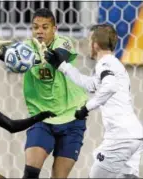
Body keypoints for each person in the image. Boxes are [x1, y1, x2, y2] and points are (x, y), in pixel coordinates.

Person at [0, 8, 88, 178]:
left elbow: (59, 57)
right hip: (43, 118)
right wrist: (0, 53)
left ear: (54, 29)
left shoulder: (64, 42)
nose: (39, 31)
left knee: (59, 176)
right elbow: (17, 60)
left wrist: (40, 57)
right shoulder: (27, 47)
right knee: (31, 172)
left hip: (72, 118)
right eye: (35, 27)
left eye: (45, 27)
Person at [44, 24, 143, 178]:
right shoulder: (113, 64)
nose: (87, 44)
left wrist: (86, 108)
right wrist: (62, 66)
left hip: (120, 138)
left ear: (95, 44)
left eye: (89, 40)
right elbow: (90, 84)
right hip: (134, 135)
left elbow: (109, 86)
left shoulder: (106, 64)